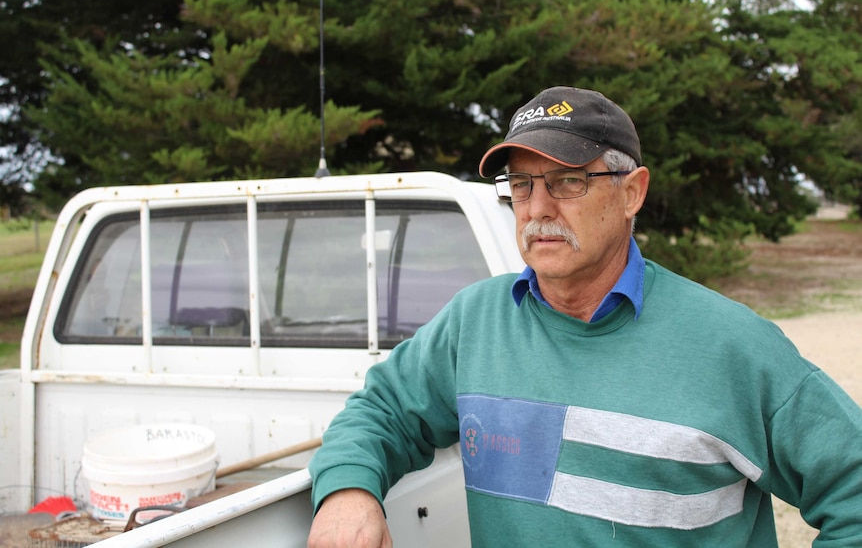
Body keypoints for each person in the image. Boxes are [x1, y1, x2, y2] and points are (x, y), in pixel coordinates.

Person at [307, 86, 862, 547]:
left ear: (632, 194)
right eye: (521, 184)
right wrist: (347, 491)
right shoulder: (474, 323)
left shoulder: (731, 346)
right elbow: (381, 411)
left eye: (568, 180)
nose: (538, 208)